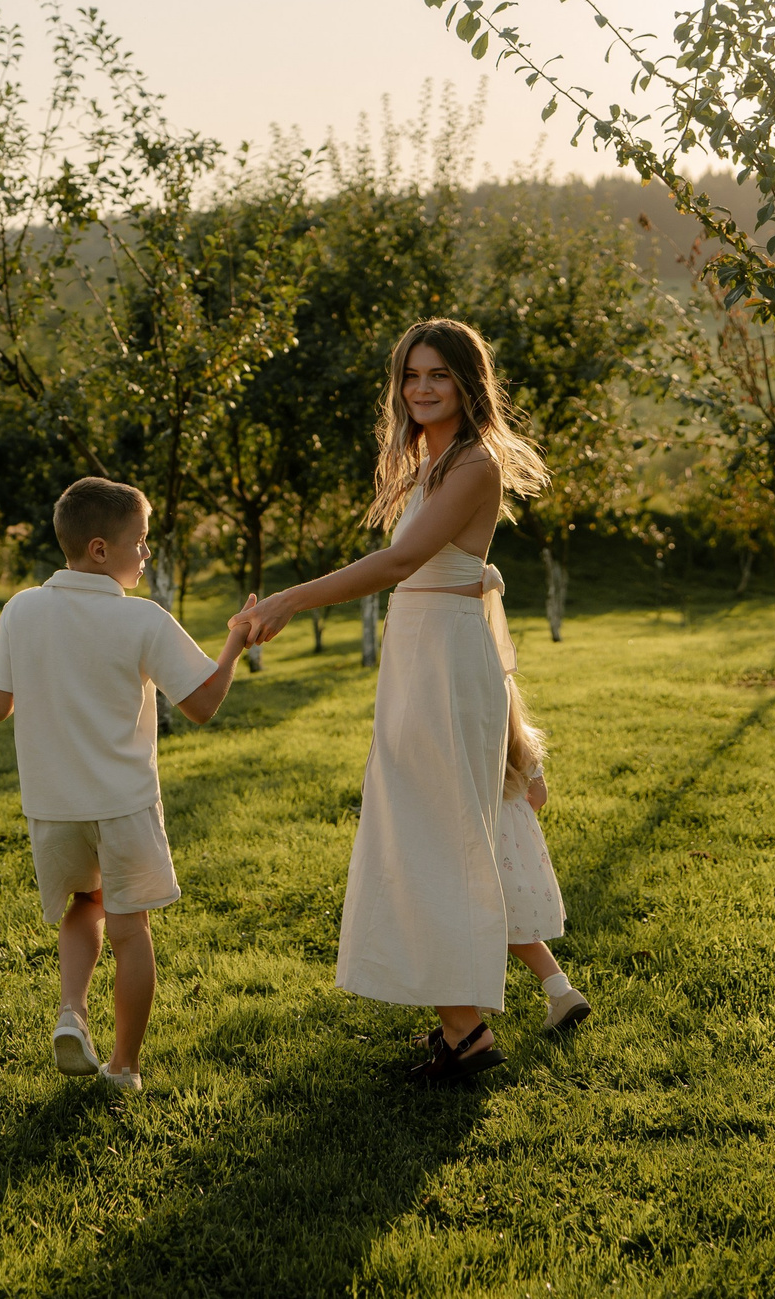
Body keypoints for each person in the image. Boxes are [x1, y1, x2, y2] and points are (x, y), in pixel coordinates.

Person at [233, 319, 549, 1082]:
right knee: (414, 829)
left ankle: (468, 1034)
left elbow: (403, 560)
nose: (422, 388)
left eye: (438, 374)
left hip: (444, 656)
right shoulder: (431, 462)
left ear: (469, 382)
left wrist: (292, 599)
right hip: (416, 653)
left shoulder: (474, 463)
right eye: (412, 375)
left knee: (434, 832)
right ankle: (458, 1026)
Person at [0, 477, 253, 1092]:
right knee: (131, 930)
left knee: (85, 904)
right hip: (123, 805)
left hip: (52, 807)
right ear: (101, 550)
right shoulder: (142, 621)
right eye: (141, 542)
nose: (146, 554)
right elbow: (203, 704)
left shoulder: (21, 607)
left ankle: (72, 1012)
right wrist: (234, 641)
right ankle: (124, 1068)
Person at [498, 706, 590, 1031]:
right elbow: (539, 795)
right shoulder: (522, 741)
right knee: (514, 928)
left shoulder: (465, 739)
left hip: (481, 841)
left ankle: (465, 1024)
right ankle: (561, 991)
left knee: (480, 924)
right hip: (518, 844)